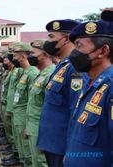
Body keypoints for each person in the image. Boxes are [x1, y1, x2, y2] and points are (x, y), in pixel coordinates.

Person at [37, 19, 89, 167]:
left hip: (63, 146)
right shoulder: (62, 65)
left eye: (52, 37)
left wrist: (71, 149)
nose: (48, 41)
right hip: (53, 142)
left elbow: (76, 110)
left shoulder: (75, 68)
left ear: (66, 39)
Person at [63, 20, 113, 167]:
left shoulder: (110, 87)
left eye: (79, 46)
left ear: (103, 51)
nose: (74, 53)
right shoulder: (89, 83)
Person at [24, 39, 55, 167]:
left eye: (33, 53)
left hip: (42, 129)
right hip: (33, 126)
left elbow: (52, 110)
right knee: (35, 161)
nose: (29, 57)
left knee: (42, 163)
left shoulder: (51, 75)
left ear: (45, 55)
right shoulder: (41, 74)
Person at [11, 42, 39, 166]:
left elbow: (32, 100)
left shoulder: (32, 73)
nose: (13, 59)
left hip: (26, 116)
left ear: (22, 57)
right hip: (19, 113)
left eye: (15, 56)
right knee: (23, 146)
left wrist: (28, 122)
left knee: (28, 149)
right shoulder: (23, 72)